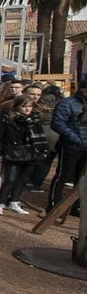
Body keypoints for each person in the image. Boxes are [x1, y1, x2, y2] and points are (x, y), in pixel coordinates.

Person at [0, 95, 47, 215]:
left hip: (31, 153)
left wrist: (42, 151)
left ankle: (14, 201)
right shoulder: (7, 118)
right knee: (9, 179)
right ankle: (0, 203)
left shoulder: (35, 119)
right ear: (17, 106)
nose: (27, 109)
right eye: (24, 106)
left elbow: (40, 138)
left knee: (23, 179)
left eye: (30, 106)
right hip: (13, 152)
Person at [48, 77, 87, 213]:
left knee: (81, 180)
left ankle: (75, 206)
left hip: (85, 148)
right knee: (63, 176)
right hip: (70, 145)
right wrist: (75, 138)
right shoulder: (68, 103)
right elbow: (58, 123)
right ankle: (54, 205)